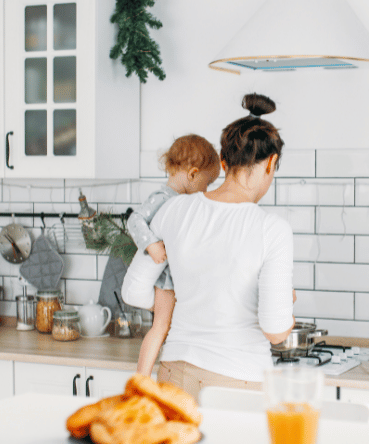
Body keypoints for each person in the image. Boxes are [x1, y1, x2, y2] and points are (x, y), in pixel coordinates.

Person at [122, 93, 295, 400]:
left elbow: (134, 291)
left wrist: (194, 297)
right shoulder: (272, 230)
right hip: (239, 381)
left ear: (224, 162)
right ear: (272, 163)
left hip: (175, 373)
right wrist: (287, 307)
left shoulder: (174, 210)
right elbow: (275, 331)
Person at [126, 134, 221, 377]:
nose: (206, 189)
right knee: (161, 326)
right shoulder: (163, 198)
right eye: (206, 182)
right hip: (167, 279)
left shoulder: (185, 203)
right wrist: (151, 245)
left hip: (180, 278)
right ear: (192, 174)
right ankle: (142, 377)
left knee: (172, 326)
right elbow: (135, 220)